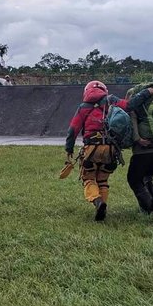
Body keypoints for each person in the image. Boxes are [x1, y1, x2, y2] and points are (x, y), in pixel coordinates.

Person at [65, 80, 119, 221]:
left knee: (88, 179)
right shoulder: (112, 105)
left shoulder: (84, 107)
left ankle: (97, 201)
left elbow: (73, 129)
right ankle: (103, 206)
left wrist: (69, 148)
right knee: (103, 180)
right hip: (111, 150)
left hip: (91, 148)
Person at [124, 83, 153, 214]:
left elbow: (132, 122)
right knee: (148, 177)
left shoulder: (136, 107)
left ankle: (148, 207)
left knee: (134, 179)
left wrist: (137, 139)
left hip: (143, 151)